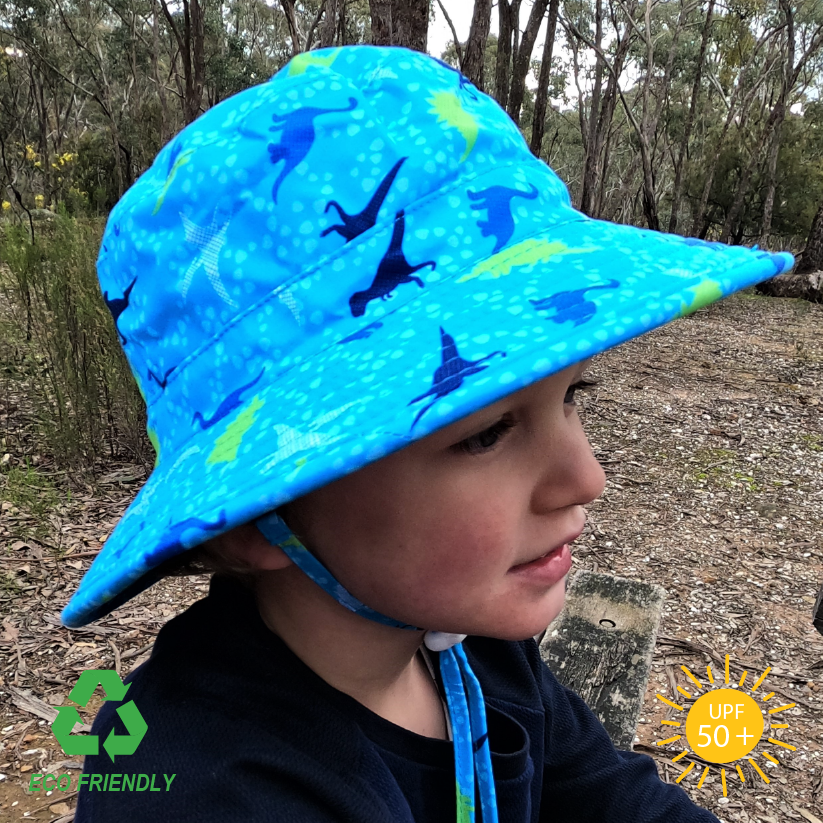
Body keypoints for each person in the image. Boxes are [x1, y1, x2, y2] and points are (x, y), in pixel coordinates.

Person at [63, 45, 793, 822]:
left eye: (573, 394)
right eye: (485, 433)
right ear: (254, 516)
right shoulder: (203, 789)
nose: (586, 478)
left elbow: (614, 795)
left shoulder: (466, 649)